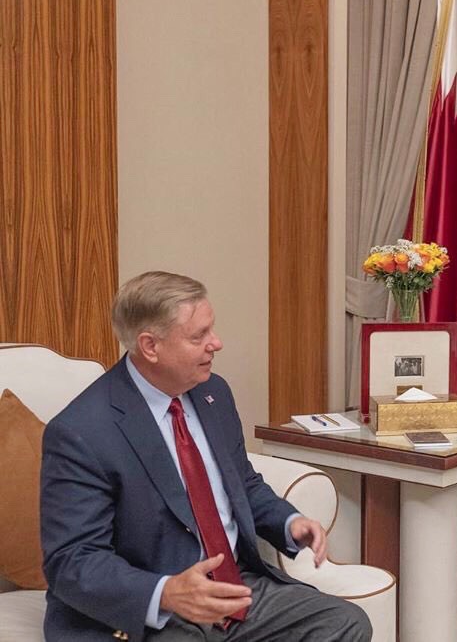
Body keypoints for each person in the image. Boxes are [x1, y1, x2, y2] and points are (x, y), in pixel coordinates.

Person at [40, 272, 372, 641]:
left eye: (211, 329)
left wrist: (288, 521)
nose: (216, 343)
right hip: (150, 610)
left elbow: (240, 482)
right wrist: (167, 592)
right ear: (150, 346)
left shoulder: (212, 392)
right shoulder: (81, 431)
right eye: (198, 336)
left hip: (232, 587)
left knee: (344, 622)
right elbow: (73, 560)